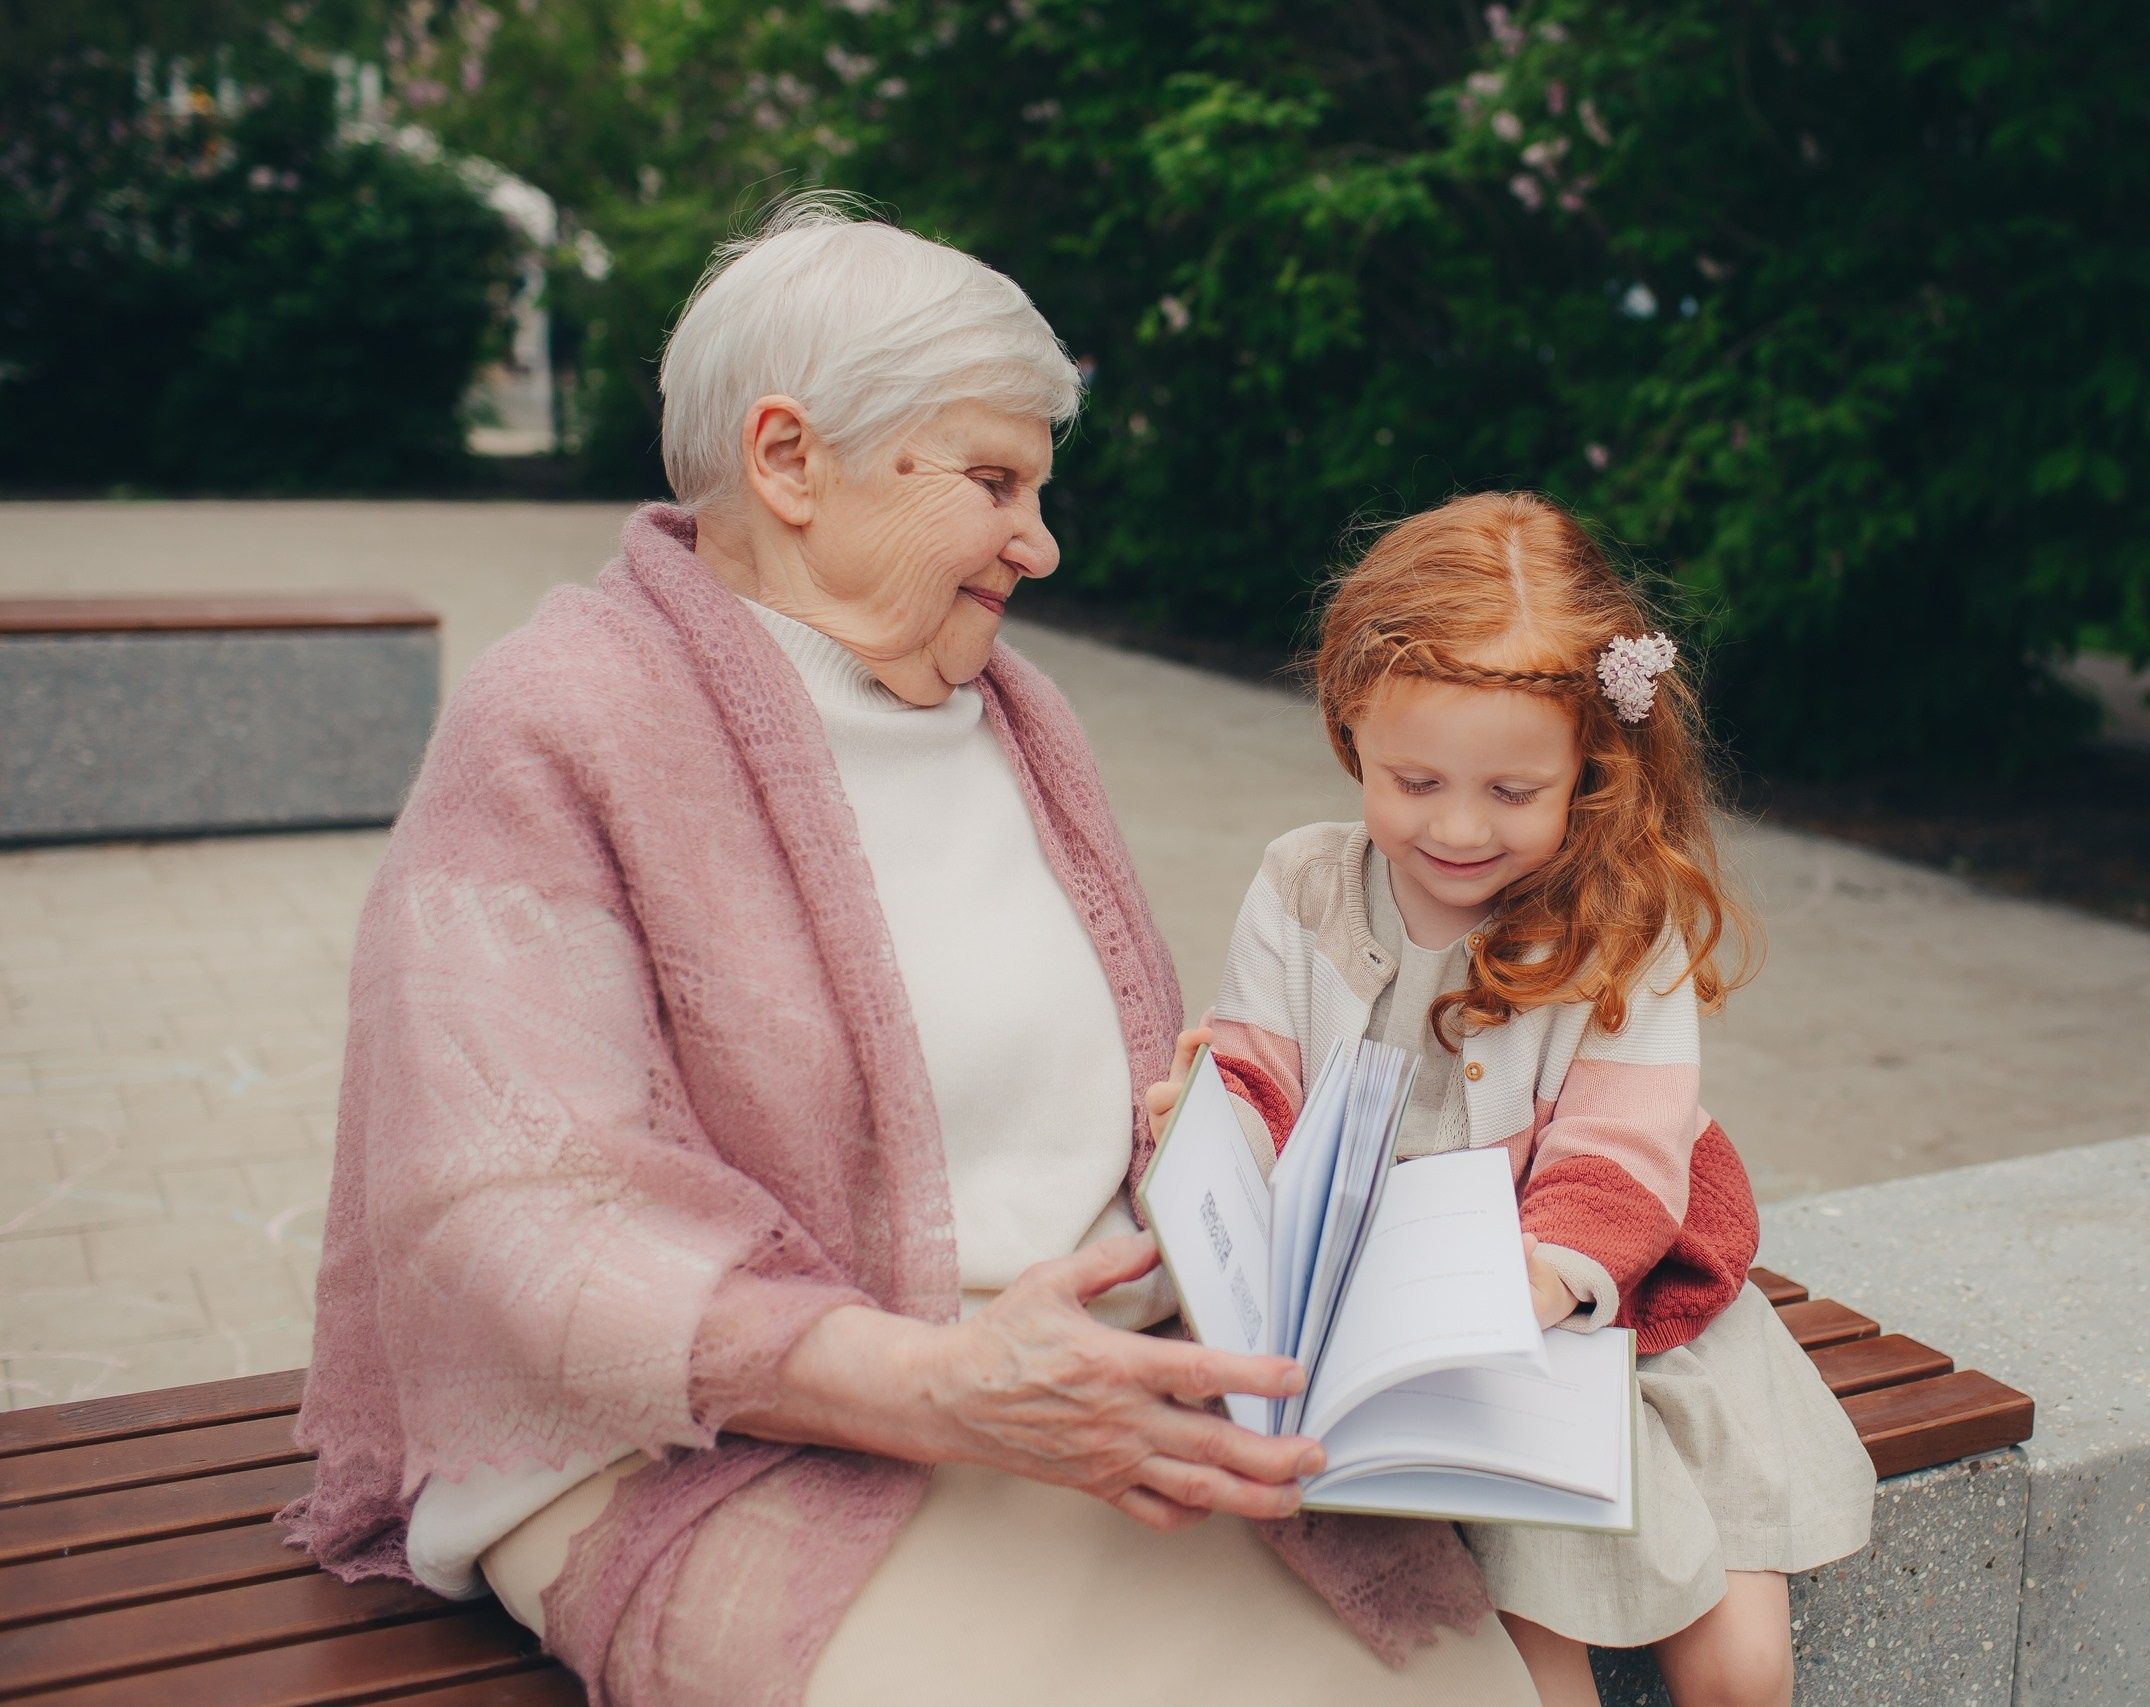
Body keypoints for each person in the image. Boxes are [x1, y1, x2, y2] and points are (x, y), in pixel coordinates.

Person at [286, 198, 1538, 1707]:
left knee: (1453, 1680)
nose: (1045, 541)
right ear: (790, 458)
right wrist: (939, 1386)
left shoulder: (1021, 710)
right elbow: (513, 1212)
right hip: (712, 1442)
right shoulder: (560, 719)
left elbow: (1077, 1078)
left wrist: (1201, 1133)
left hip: (1079, 1388)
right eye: (996, 479)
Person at [1149, 492, 1876, 1707]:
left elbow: (1617, 1155)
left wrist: (1533, 1278)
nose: (1455, 827)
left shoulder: (1618, 924)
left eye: (1510, 792)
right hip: (1403, 1339)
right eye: (1415, 779)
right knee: (1535, 1671)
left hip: (1606, 1316)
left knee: (1745, 1671)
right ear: (1349, 734)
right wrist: (1206, 1121)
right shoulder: (1302, 882)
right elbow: (1258, 1074)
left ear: (1588, 765)